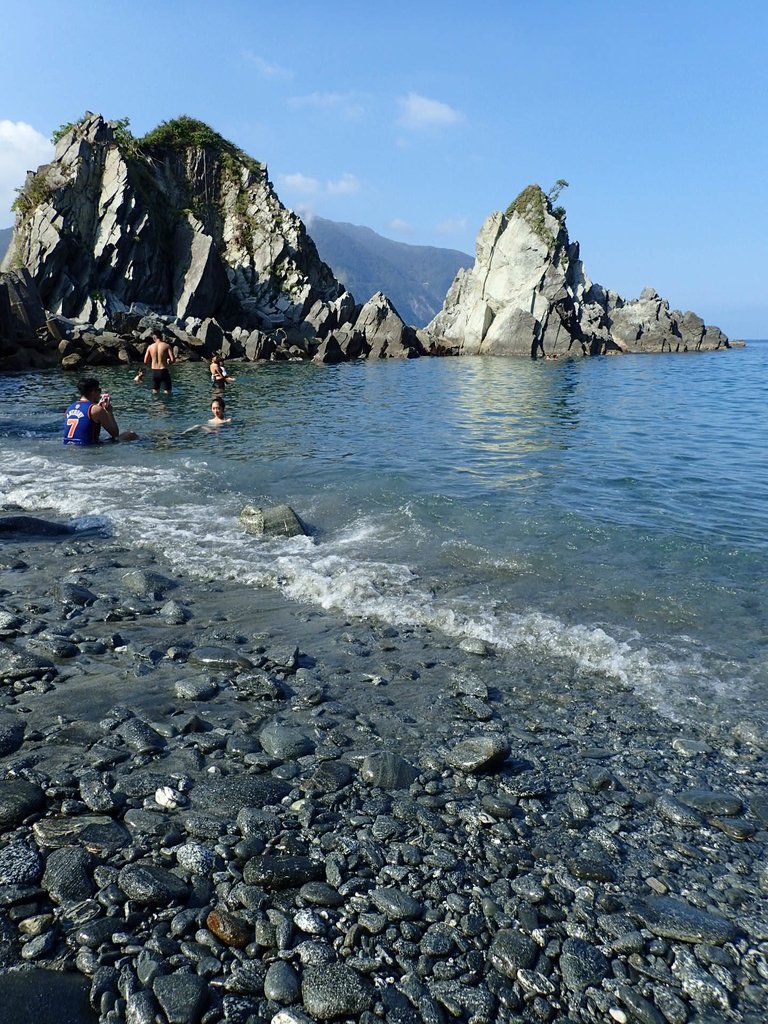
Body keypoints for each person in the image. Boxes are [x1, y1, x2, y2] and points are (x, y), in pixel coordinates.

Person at [63, 378, 138, 445]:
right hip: (89, 447)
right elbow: (115, 433)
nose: (100, 394)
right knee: (131, 434)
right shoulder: (96, 410)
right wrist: (109, 411)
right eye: (99, 390)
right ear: (93, 392)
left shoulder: (70, 408)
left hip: (69, 446)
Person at [143, 330, 175, 394]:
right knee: (167, 392)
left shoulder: (150, 347)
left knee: (155, 392)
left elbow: (145, 361)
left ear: (154, 337)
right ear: (161, 337)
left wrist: (153, 360)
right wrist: (168, 361)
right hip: (163, 371)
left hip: (155, 372)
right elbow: (173, 360)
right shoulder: (167, 346)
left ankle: (156, 403)